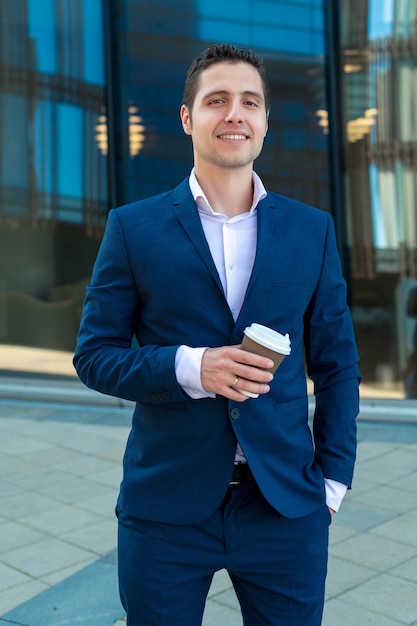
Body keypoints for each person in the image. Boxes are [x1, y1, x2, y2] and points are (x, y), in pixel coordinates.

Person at [74, 43, 360, 626]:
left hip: (284, 506)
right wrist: (189, 367)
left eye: (249, 102)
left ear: (265, 120)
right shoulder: (133, 228)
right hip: (167, 509)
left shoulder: (313, 231)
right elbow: (95, 356)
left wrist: (331, 484)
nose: (235, 113)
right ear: (188, 118)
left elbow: (337, 367)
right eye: (217, 100)